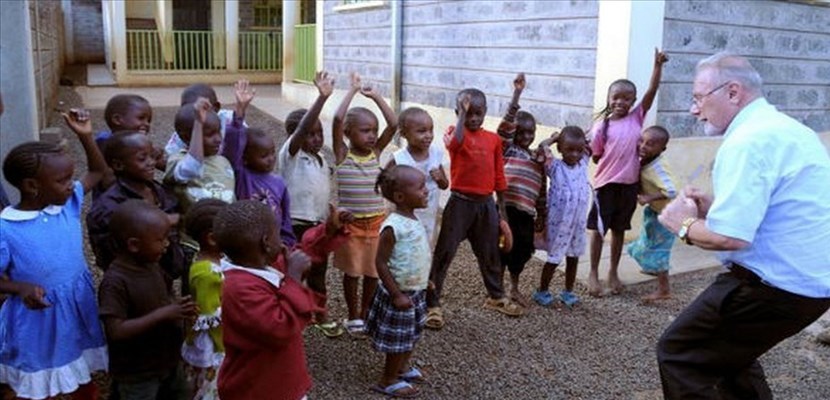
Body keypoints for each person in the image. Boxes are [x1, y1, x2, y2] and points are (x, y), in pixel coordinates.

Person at [656, 51, 830, 399]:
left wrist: (683, 224)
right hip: (809, 284)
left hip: (775, 286)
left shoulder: (747, 140)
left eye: (698, 98)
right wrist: (713, 210)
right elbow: (769, 212)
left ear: (732, 92)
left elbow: (730, 236)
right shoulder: (786, 129)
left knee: (680, 354)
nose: (694, 109)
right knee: (730, 358)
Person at [0, 110, 108, 399]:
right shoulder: (6, 228)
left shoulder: (66, 204)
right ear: (32, 186)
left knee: (79, 361)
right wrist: (19, 287)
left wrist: (85, 135)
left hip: (75, 305)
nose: (70, 185)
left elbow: (98, 173)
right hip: (39, 315)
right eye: (63, 180)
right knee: (39, 374)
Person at [425, 88, 523, 331]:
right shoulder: (454, 134)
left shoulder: (493, 140)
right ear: (457, 113)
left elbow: (499, 176)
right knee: (444, 253)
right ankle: (432, 303)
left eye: (477, 113)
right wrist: (461, 118)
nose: (473, 119)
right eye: (467, 114)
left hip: (486, 205)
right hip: (459, 203)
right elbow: (455, 143)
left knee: (490, 253)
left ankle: (495, 296)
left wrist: (502, 213)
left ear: (485, 112)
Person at [215, 200, 321, 400]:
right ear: (266, 242)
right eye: (278, 234)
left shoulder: (257, 267)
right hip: (261, 387)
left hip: (279, 381)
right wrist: (294, 280)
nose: (282, 243)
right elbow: (279, 328)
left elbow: (303, 251)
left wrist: (330, 231)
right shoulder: (238, 288)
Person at [587, 49, 669, 297]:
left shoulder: (636, 119)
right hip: (606, 185)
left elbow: (651, 92)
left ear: (633, 102)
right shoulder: (602, 125)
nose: (620, 102)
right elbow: (596, 154)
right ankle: (593, 272)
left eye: (626, 99)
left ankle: (613, 272)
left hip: (629, 185)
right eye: (616, 98)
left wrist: (657, 67)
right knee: (599, 230)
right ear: (609, 98)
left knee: (620, 230)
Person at [98, 200, 197, 400]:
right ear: (134, 245)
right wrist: (164, 314)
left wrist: (178, 309)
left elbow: (164, 294)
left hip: (167, 360)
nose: (167, 244)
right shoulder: (115, 281)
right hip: (138, 372)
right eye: (161, 240)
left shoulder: (151, 263)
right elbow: (115, 330)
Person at [331, 72, 397, 335]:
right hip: (352, 226)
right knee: (352, 272)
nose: (372, 136)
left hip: (377, 223)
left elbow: (393, 124)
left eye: (374, 131)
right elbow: (337, 118)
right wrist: (352, 91)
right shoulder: (341, 154)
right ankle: (353, 315)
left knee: (372, 272)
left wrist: (376, 96)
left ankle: (368, 313)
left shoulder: (375, 153)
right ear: (348, 133)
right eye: (365, 130)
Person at [279, 70, 343, 337]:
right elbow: (302, 128)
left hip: (317, 226)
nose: (316, 139)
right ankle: (286, 313)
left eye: (320, 134)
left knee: (318, 271)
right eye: (310, 134)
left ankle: (319, 313)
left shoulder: (320, 160)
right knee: (291, 271)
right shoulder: (290, 156)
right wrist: (321, 98)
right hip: (295, 225)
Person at [87, 132, 186, 285]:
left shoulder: (157, 190)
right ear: (118, 165)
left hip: (164, 276)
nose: (151, 162)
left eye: (152, 156)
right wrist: (164, 221)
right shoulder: (108, 207)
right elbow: (107, 253)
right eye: (142, 158)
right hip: (134, 282)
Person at [366, 165, 431, 398]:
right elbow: (381, 262)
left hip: (415, 291)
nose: (426, 191)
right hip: (400, 294)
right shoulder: (393, 226)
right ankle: (388, 379)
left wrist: (426, 280)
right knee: (399, 340)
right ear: (400, 197)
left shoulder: (413, 219)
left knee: (412, 334)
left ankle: (402, 367)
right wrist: (396, 294)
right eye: (421, 187)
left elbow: (416, 254)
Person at [222, 79, 297, 247]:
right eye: (263, 156)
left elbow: (285, 217)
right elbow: (232, 148)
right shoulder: (241, 175)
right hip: (246, 242)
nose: (271, 158)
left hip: (272, 243)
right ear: (245, 158)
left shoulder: (278, 182)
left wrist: (288, 242)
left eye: (272, 153)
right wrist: (239, 113)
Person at [496, 73, 547, 307]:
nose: (526, 136)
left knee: (522, 251)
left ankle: (514, 287)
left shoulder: (537, 159)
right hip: (504, 210)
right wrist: (517, 94)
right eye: (521, 132)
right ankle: (497, 289)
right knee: (499, 249)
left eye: (531, 132)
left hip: (526, 213)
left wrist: (542, 216)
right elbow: (505, 127)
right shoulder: (506, 150)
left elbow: (541, 190)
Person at [533, 127, 591, 309]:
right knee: (554, 258)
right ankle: (542, 290)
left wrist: (584, 143)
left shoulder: (583, 163)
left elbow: (591, 146)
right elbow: (541, 147)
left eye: (579, 150)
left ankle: (568, 291)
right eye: (569, 149)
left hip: (577, 224)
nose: (575, 154)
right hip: (559, 224)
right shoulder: (555, 166)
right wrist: (555, 138)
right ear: (560, 149)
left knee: (573, 257)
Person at [180, 198, 228, 400]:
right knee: (209, 386)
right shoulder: (207, 274)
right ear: (212, 238)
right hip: (212, 344)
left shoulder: (214, 260)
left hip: (215, 338)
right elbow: (209, 316)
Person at [626, 125, 678, 302]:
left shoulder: (658, 168)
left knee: (659, 250)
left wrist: (649, 197)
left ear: (661, 149)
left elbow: (672, 190)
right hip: (656, 212)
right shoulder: (646, 161)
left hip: (669, 215)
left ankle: (664, 290)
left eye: (650, 144)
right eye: (642, 141)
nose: (643, 146)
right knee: (646, 242)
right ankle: (652, 267)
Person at [387, 107, 449, 245]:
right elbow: (384, 184)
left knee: (425, 245)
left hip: (429, 215)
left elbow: (445, 185)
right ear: (404, 134)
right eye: (421, 131)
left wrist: (440, 178)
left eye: (431, 130)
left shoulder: (435, 155)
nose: (428, 135)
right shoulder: (399, 159)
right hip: (406, 215)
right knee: (405, 245)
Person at [164, 98, 236, 212]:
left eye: (218, 131)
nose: (218, 139)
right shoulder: (177, 160)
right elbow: (192, 167)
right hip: (196, 228)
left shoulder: (222, 161)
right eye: (210, 134)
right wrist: (198, 124)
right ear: (186, 138)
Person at [164, 83, 242, 156]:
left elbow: (246, 142)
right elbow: (171, 156)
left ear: (216, 107)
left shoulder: (230, 118)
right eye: (188, 109)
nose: (197, 114)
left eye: (203, 108)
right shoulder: (186, 129)